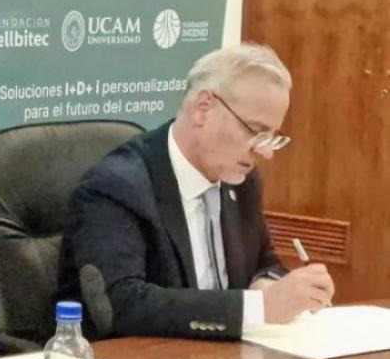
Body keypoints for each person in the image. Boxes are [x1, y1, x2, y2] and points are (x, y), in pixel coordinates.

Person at [58, 43, 335, 340]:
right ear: (204, 109)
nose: (265, 153)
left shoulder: (241, 180)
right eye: (255, 131)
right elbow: (121, 305)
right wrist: (258, 308)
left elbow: (263, 263)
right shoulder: (117, 186)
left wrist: (272, 285)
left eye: (272, 137)